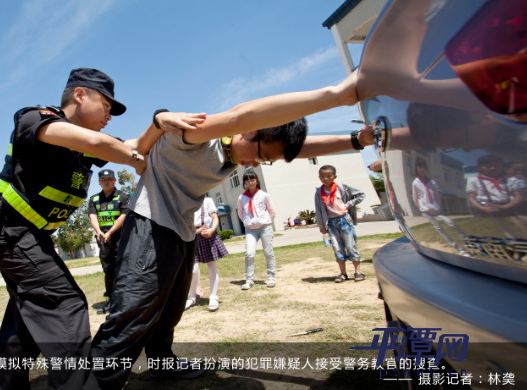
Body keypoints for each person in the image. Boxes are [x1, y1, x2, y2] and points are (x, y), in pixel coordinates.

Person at [85, 72, 376, 389]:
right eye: (263, 155)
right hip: (150, 225)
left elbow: (302, 147)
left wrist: (356, 141)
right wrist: (335, 95)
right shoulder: (198, 136)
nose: (260, 164)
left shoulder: (235, 155)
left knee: (168, 311)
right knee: (132, 312)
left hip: (181, 232)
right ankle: (95, 382)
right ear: (249, 132)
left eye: (268, 161)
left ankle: (161, 362)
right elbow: (241, 115)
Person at [0, 67, 202, 390]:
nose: (109, 116)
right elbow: (102, 144)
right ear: (80, 95)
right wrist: (139, 145)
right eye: (106, 106)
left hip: (27, 236)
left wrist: (159, 124)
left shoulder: (86, 144)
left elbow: (134, 146)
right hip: (12, 232)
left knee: (26, 314)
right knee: (65, 302)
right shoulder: (35, 120)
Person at [88, 169, 130, 314]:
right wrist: (99, 232)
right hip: (103, 240)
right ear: (99, 182)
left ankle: (125, 299)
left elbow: (124, 216)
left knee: (123, 268)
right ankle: (112, 299)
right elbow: (92, 216)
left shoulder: (123, 196)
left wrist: (111, 232)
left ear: (115, 181)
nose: (107, 182)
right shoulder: (94, 199)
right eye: (104, 180)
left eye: (110, 179)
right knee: (108, 270)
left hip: (120, 238)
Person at [314, 165, 366, 283]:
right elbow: (318, 209)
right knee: (337, 248)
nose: (325, 179)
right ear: (319, 177)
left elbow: (361, 195)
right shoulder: (319, 192)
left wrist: (347, 205)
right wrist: (322, 226)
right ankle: (342, 273)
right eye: (322, 176)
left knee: (350, 245)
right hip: (331, 223)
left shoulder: (342, 187)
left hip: (344, 220)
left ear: (334, 176)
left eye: (328, 176)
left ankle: (358, 271)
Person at [411, 159, 468, 255]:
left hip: (436, 209)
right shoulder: (415, 183)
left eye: (423, 167)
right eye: (419, 167)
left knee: (451, 222)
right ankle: (457, 248)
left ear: (426, 168)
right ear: (416, 169)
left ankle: (467, 241)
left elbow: (437, 195)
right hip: (426, 210)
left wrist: (439, 206)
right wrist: (420, 207)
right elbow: (415, 197)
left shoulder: (432, 182)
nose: (422, 169)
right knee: (439, 228)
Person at [185, 196, 227, 312]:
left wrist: (211, 230)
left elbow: (215, 218)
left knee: (212, 267)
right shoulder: (186, 200)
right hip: (192, 236)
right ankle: (191, 296)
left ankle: (213, 296)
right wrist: (194, 231)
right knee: (193, 270)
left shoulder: (207, 200)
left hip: (207, 235)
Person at [237, 170, 277, 289]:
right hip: (250, 229)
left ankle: (271, 277)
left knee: (268, 252)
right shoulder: (241, 197)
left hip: (265, 227)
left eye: (253, 179)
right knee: (249, 253)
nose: (250, 182)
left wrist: (265, 221)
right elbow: (240, 213)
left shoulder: (264, 195)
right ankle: (249, 280)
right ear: (244, 182)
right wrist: (248, 222)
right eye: (247, 180)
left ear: (257, 181)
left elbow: (272, 211)